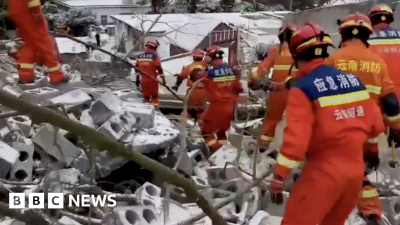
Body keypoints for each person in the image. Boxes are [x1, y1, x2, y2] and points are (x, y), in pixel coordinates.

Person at [269, 22, 385, 225]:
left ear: (296, 57)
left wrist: (279, 176)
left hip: (323, 173)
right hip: (355, 173)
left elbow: (296, 142)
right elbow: (375, 124)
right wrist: (372, 149)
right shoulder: (353, 82)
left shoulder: (303, 89)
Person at [326, 13, 398, 222]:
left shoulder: (333, 60)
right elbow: (391, 101)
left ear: (343, 34)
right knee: (361, 169)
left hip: (339, 130)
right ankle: (371, 211)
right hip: (369, 131)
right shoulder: (378, 63)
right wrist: (395, 128)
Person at [250, 23, 297, 152]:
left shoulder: (275, 51)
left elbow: (261, 70)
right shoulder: (300, 51)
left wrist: (253, 78)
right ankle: (289, 150)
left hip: (277, 92)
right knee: (294, 123)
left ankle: (263, 151)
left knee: (272, 121)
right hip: (297, 93)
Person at [6, 0, 67, 84]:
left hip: (20, 15)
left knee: (29, 45)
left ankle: (25, 76)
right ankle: (56, 75)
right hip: (30, 14)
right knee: (45, 43)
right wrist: (37, 12)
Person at [202, 46, 243, 152]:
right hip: (229, 108)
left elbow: (198, 78)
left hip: (217, 107)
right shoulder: (230, 71)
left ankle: (216, 153)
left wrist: (204, 63)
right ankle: (225, 152)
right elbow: (239, 88)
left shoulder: (210, 74)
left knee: (206, 131)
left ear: (211, 59)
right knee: (221, 133)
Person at [172, 49, 208, 123]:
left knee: (188, 111)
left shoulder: (188, 67)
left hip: (192, 91)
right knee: (201, 112)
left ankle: (182, 126)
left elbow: (181, 77)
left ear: (193, 57)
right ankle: (200, 129)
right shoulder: (206, 67)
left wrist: (176, 86)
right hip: (203, 93)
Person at [135, 40, 166, 107]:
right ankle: (156, 112)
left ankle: (148, 111)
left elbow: (137, 69)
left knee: (146, 98)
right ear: (155, 47)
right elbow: (159, 68)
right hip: (153, 81)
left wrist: (137, 80)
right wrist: (163, 79)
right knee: (154, 97)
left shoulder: (140, 56)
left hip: (144, 82)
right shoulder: (154, 56)